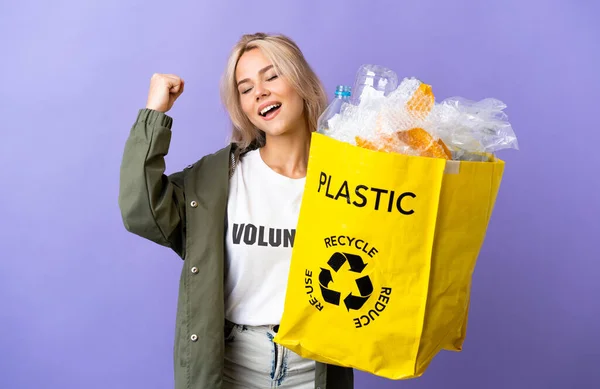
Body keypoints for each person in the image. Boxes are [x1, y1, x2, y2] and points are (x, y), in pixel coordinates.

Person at [118, 32, 354, 389]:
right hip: (232, 368)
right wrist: (154, 114)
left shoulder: (348, 180)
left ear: (302, 82)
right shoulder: (219, 178)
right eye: (245, 89)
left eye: (272, 76)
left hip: (315, 368)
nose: (259, 91)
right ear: (242, 107)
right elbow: (141, 208)